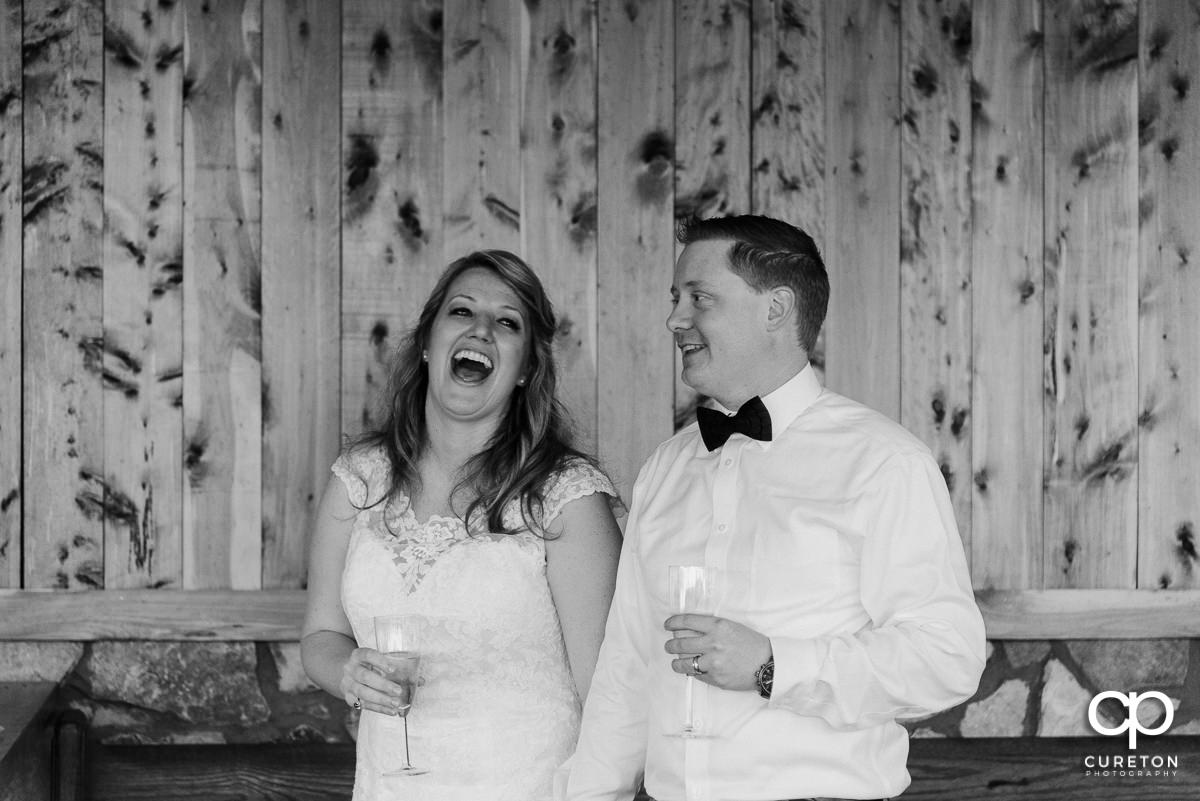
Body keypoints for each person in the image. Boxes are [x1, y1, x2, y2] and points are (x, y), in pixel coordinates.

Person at [564, 215, 986, 801]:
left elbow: (948, 656)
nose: (674, 320)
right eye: (674, 298)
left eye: (699, 298)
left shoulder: (884, 462)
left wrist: (772, 665)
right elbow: (628, 667)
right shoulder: (666, 467)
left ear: (776, 308)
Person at [302, 250, 623, 801]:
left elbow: (609, 696)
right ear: (427, 345)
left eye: (506, 321)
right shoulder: (359, 477)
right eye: (462, 311)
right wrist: (349, 673)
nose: (481, 329)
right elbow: (320, 635)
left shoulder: (567, 497)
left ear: (526, 368)